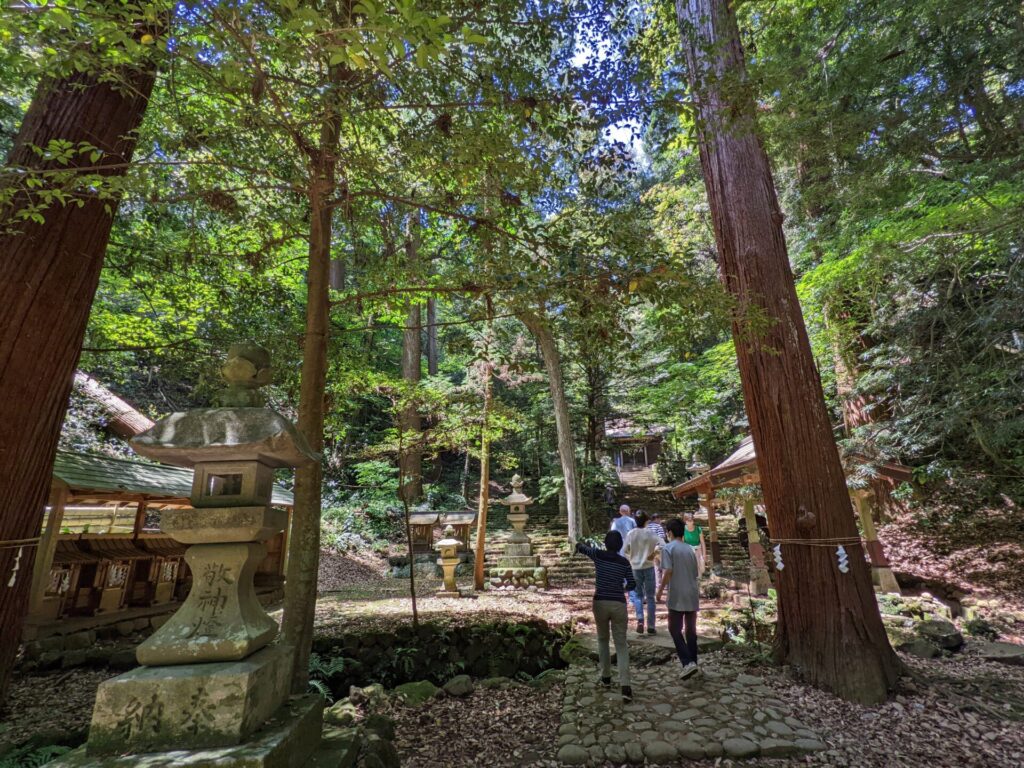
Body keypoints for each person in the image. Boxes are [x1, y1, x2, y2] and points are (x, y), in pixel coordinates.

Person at [575, 531, 636, 701]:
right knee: (621, 644)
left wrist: (577, 544)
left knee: (602, 640)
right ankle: (626, 686)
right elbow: (632, 583)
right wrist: (620, 589)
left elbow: (584, 549)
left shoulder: (599, 555)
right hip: (618, 604)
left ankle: (606, 677)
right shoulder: (624, 562)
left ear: (606, 543)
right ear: (620, 545)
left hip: (600, 601)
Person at [657, 518, 700, 679]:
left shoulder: (668, 548)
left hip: (677, 593)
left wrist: (660, 591)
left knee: (674, 629)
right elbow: (696, 572)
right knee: (691, 631)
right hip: (692, 592)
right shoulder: (690, 549)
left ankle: (688, 663)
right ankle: (694, 662)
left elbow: (667, 571)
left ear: (670, 533)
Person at [623, 511, 661, 635]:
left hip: (635, 568)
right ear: (646, 521)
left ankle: (640, 620)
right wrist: (654, 554)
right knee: (650, 597)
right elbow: (662, 545)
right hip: (649, 567)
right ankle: (651, 625)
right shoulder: (651, 533)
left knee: (638, 596)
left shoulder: (631, 534)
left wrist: (631, 557)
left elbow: (624, 550)